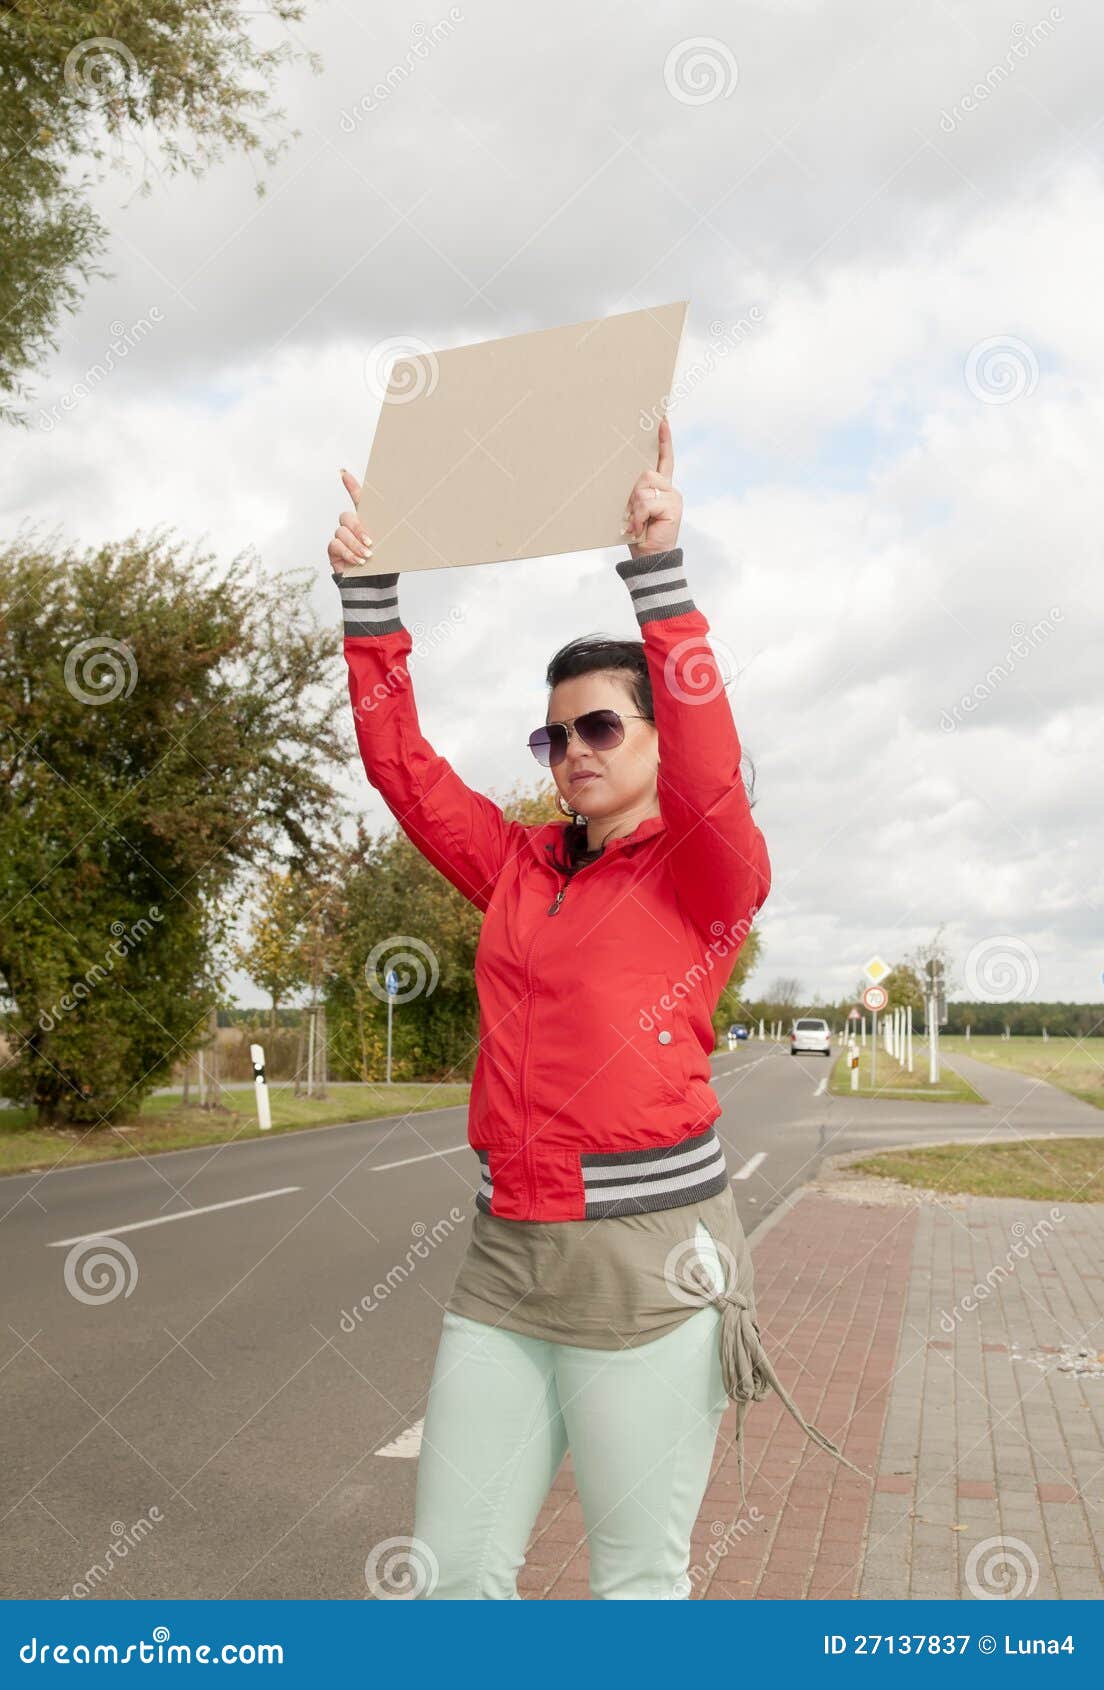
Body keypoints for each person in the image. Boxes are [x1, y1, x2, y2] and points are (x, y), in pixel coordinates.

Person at [327, 416, 869, 1600]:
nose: (571, 748)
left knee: (633, 1582)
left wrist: (661, 579)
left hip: (649, 1262)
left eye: (600, 725)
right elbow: (404, 772)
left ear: (654, 738)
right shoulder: (519, 866)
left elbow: (717, 775)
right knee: (450, 1573)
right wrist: (371, 606)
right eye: (554, 731)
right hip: (505, 1260)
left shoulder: (705, 871)